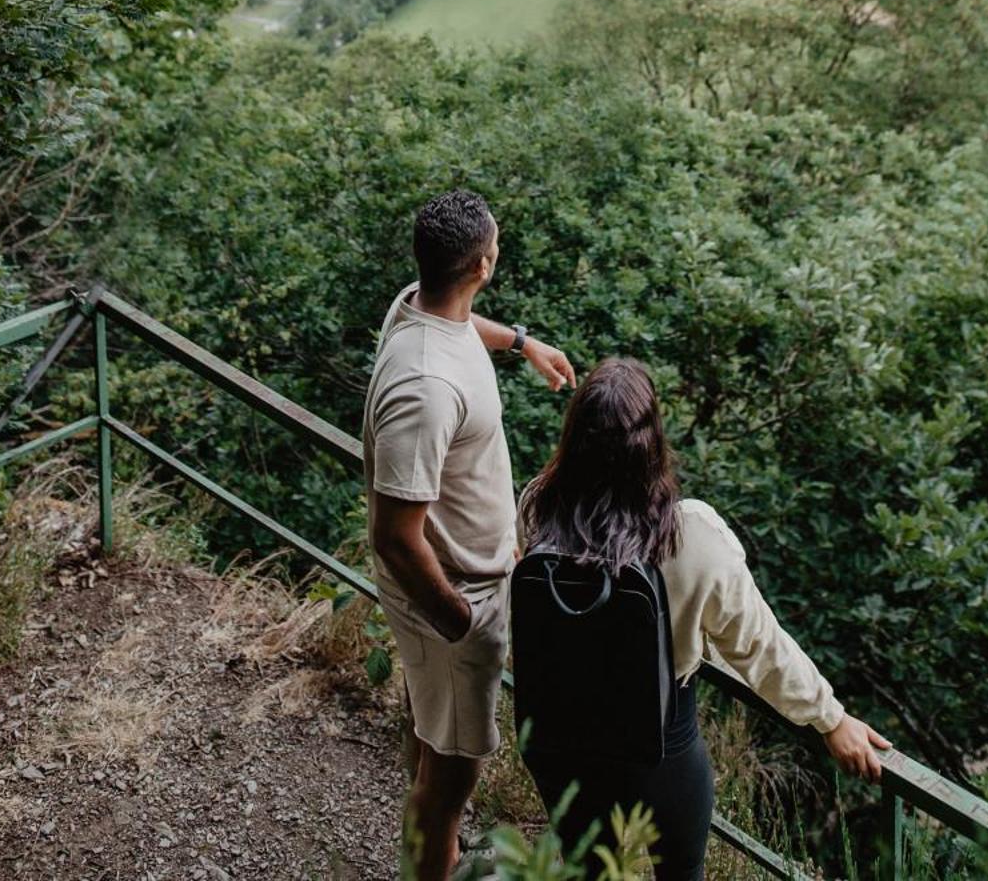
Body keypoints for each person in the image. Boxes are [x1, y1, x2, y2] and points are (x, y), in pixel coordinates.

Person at [515, 358, 889, 880]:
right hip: (659, 747)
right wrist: (831, 718)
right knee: (681, 873)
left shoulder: (538, 506)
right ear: (652, 441)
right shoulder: (690, 534)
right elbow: (758, 645)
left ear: (574, 432)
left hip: (563, 735)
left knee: (585, 869)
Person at [363, 188, 577, 881]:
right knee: (451, 786)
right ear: (482, 263)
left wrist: (521, 343)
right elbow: (395, 535)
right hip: (457, 598)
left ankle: (430, 831)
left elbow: (457, 329)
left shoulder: (420, 307)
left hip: (468, 590)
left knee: (435, 745)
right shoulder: (425, 386)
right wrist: (460, 621)